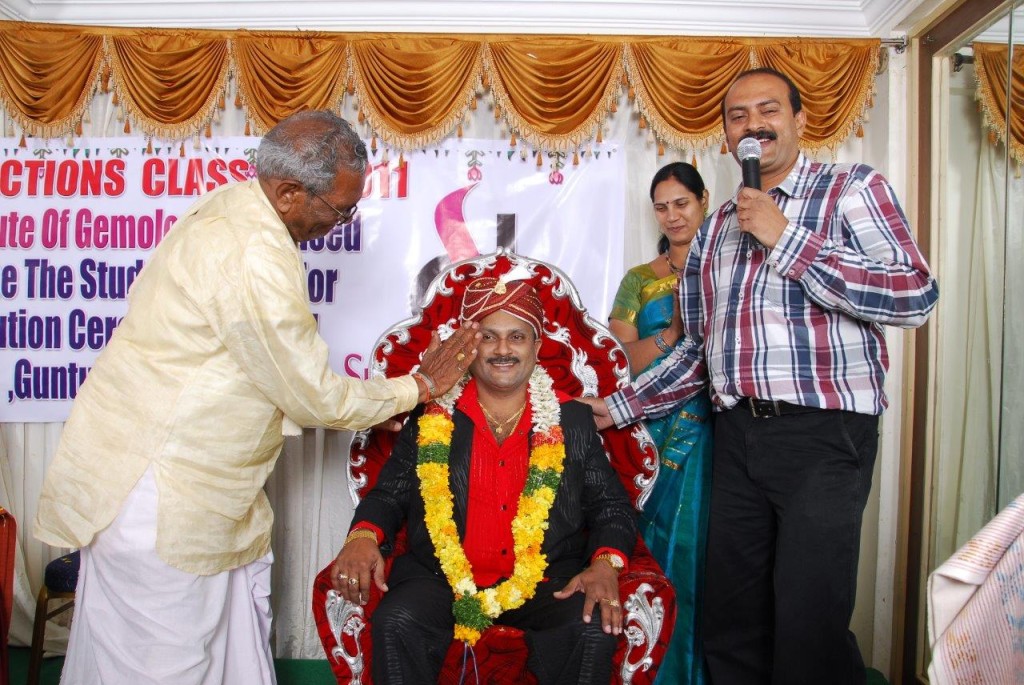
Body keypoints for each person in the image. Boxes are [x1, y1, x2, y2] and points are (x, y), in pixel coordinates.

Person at [33, 110, 479, 685]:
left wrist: (384, 405)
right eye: (341, 209)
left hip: (200, 487)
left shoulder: (238, 209)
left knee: (227, 651)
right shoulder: (252, 252)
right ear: (290, 192)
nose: (341, 223)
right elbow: (311, 395)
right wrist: (418, 387)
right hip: (163, 492)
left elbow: (269, 376)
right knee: (162, 663)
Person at [586, 67, 939, 685]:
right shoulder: (716, 230)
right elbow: (698, 352)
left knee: (808, 621)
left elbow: (913, 295)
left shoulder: (851, 189)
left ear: (800, 120)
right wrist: (616, 407)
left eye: (769, 110)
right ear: (726, 136)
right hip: (737, 436)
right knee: (732, 619)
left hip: (823, 434)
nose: (754, 125)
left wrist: (787, 239)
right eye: (738, 115)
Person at [330, 274, 638, 685]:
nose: (503, 349)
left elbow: (611, 507)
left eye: (517, 337)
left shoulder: (572, 420)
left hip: (545, 580)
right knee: (397, 621)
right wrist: (363, 535)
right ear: (469, 348)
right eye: (488, 337)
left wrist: (605, 563)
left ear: (537, 347)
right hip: (440, 578)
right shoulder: (431, 417)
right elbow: (389, 494)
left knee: (589, 627)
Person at [607, 161, 713, 685]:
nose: (673, 216)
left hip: (711, 432)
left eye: (682, 204)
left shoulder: (727, 269)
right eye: (662, 207)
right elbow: (619, 358)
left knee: (702, 547)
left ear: (704, 201)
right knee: (648, 542)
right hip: (646, 428)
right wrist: (672, 333)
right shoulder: (640, 280)